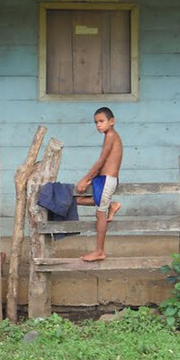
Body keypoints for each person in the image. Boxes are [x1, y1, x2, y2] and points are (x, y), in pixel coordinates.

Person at [74, 107, 123, 262]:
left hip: (107, 180)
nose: (98, 125)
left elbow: (101, 160)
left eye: (101, 121)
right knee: (78, 199)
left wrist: (85, 179)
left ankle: (100, 251)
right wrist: (92, 178)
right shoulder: (108, 135)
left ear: (112, 121)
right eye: (96, 122)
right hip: (101, 179)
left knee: (99, 214)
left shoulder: (111, 136)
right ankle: (112, 204)